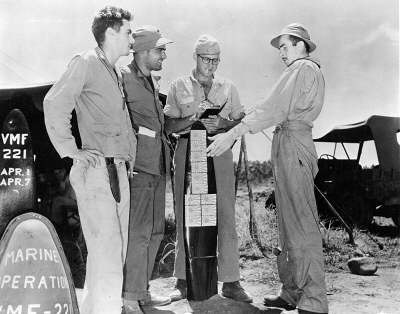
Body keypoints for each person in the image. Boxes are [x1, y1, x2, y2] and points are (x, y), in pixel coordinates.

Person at [206, 23, 329, 314]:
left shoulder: (303, 68)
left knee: (301, 225)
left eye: (285, 46)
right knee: (288, 225)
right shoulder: (299, 71)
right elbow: (270, 107)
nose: (282, 53)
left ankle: (313, 300)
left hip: (293, 141)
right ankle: (292, 291)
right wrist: (233, 126)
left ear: (301, 44)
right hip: (286, 139)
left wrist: (233, 133)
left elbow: (272, 107)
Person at [43, 6, 137, 314]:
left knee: (112, 253)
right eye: (127, 32)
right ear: (110, 33)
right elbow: (55, 103)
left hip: (117, 170)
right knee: (107, 252)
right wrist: (73, 151)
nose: (131, 38)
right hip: (98, 172)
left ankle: (99, 309)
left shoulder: (113, 71)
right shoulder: (86, 63)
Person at [164, 34, 252, 303]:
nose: (211, 65)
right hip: (188, 151)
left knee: (225, 213)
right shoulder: (178, 85)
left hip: (219, 150)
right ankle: (183, 280)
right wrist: (193, 119)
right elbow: (168, 127)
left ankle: (231, 281)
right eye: (206, 59)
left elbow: (240, 121)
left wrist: (222, 125)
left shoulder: (229, 87)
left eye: (216, 60)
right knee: (186, 214)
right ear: (196, 57)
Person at [120, 25, 173, 314]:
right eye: (159, 49)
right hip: (139, 165)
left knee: (155, 231)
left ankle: (142, 292)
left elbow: (157, 124)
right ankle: (129, 298)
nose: (164, 55)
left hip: (158, 164)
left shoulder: (150, 81)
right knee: (138, 232)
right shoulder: (123, 78)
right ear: (142, 51)